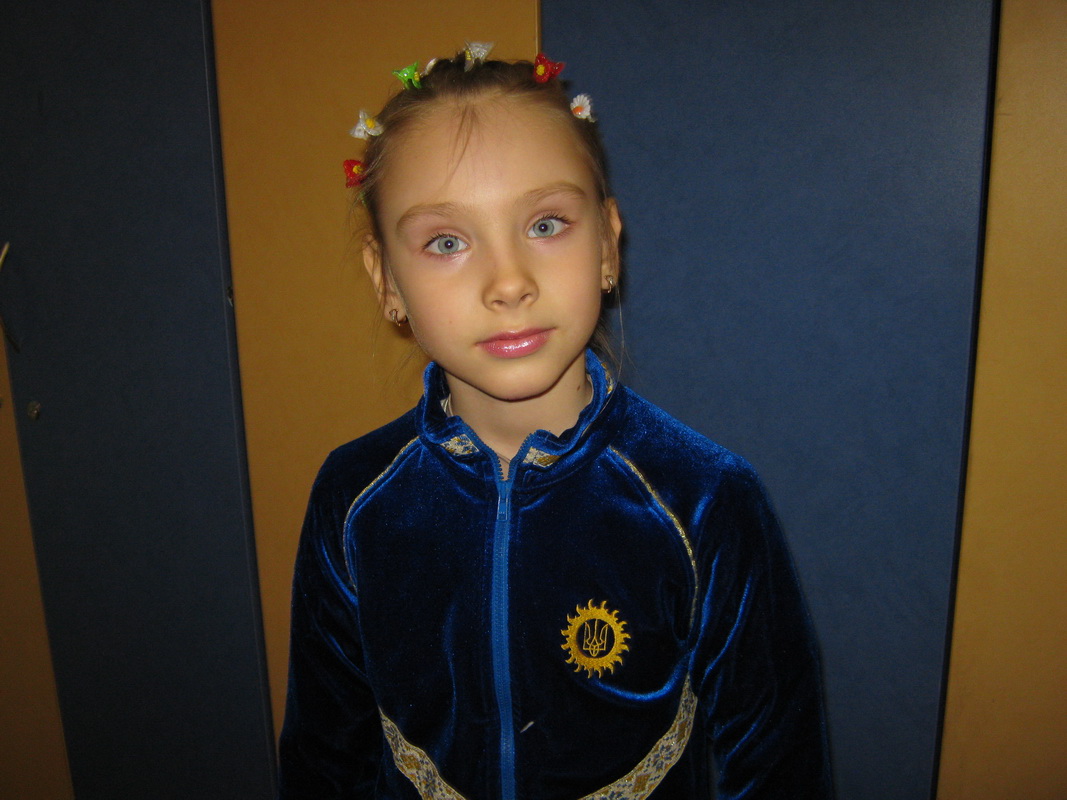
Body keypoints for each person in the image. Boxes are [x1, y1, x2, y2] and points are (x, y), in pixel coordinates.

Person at [279, 45, 833, 799]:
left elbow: (776, 766)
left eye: (545, 224)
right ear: (387, 281)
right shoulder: (353, 497)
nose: (508, 283)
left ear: (607, 242)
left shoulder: (706, 500)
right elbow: (323, 760)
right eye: (447, 242)